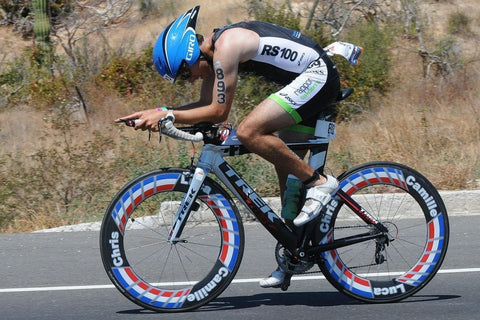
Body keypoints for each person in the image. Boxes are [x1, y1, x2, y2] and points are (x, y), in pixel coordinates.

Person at [116, 6, 361, 288]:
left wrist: (166, 114)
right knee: (289, 173)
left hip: (317, 75)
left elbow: (219, 112)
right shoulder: (209, 55)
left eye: (185, 74)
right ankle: (296, 252)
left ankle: (320, 183)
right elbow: (204, 108)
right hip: (303, 80)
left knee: (248, 131)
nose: (191, 80)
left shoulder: (226, 46)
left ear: (190, 55)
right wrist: (157, 111)